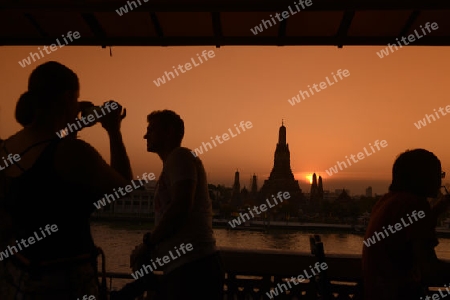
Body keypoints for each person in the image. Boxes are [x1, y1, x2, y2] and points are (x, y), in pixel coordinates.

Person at [0, 61, 133, 300]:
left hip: (15, 277)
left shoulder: (6, 147)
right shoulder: (72, 153)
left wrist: (69, 126)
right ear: (68, 97)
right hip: (64, 282)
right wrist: (113, 130)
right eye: (76, 98)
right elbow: (123, 187)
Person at [123, 110, 224, 300]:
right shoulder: (173, 163)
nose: (146, 135)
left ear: (169, 132)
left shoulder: (180, 157)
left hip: (192, 270)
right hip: (188, 267)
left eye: (151, 130)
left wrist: (148, 244)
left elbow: (181, 206)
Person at [362, 149, 450, 300]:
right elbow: (428, 270)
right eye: (437, 175)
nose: (440, 181)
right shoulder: (414, 205)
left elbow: (412, 227)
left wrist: (438, 209)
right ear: (421, 178)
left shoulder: (386, 201)